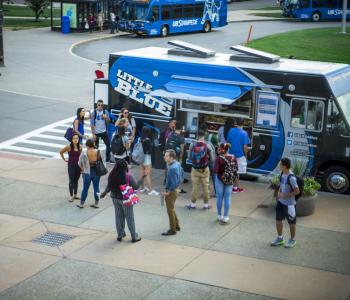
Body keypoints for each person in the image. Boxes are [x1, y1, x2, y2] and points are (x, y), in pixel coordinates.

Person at [100, 159, 141, 243]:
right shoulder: (128, 176)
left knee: (118, 216)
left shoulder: (112, 175)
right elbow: (136, 186)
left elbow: (109, 186)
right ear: (125, 167)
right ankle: (134, 236)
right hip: (126, 200)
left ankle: (120, 235)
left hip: (115, 198)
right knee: (129, 218)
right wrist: (142, 179)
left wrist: (104, 192)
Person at [271, 157, 299, 248]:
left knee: (292, 223)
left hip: (290, 204)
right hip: (281, 203)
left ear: (284, 166)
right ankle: (280, 238)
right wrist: (278, 192)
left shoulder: (291, 178)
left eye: (280, 164)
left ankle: (292, 240)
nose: (279, 166)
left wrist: (285, 195)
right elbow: (281, 184)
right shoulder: (282, 173)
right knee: (278, 220)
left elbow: (297, 191)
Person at [186, 129, 215, 210]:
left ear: (197, 135)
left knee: (195, 187)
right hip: (205, 169)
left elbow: (189, 157)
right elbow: (213, 160)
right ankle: (206, 205)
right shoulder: (208, 145)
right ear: (204, 135)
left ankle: (192, 204)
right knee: (206, 187)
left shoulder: (192, 144)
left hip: (195, 168)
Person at [162, 149, 184, 236]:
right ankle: (176, 225)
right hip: (176, 189)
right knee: (171, 208)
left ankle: (172, 229)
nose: (164, 157)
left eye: (166, 156)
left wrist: (168, 192)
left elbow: (173, 183)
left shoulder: (172, 168)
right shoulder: (177, 164)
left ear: (171, 157)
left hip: (172, 191)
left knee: (169, 210)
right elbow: (182, 174)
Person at [214, 143, 237, 224]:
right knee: (227, 197)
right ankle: (226, 217)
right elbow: (236, 169)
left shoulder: (219, 158)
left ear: (221, 149)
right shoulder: (233, 157)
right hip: (230, 180)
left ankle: (219, 215)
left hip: (220, 179)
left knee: (219, 197)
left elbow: (216, 171)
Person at [227, 117, 250, 193]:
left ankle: (234, 187)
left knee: (232, 171)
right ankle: (235, 188)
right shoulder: (244, 133)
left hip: (231, 155)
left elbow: (228, 143)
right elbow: (245, 147)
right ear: (243, 123)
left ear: (236, 122)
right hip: (240, 156)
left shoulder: (231, 130)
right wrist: (246, 155)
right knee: (237, 172)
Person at [77, 139, 102, 208]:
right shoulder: (98, 152)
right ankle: (96, 203)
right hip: (96, 172)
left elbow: (79, 163)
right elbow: (101, 161)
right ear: (93, 144)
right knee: (96, 188)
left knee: (85, 188)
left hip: (87, 172)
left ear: (87, 145)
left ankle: (81, 204)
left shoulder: (84, 153)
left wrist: (82, 168)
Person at [59, 134, 82, 202]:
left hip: (78, 166)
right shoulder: (69, 147)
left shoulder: (80, 146)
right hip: (71, 165)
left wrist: (82, 166)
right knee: (71, 181)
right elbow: (61, 152)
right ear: (72, 140)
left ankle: (75, 195)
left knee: (76, 180)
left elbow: (80, 157)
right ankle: (71, 196)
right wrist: (64, 159)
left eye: (77, 138)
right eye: (74, 138)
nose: (76, 140)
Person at [164, 122, 186, 193]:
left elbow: (166, 142)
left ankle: (167, 186)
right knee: (177, 173)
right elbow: (182, 150)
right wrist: (180, 158)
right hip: (175, 158)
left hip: (168, 156)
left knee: (169, 171)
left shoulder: (170, 134)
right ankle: (177, 188)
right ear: (181, 128)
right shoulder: (181, 137)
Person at [139, 126, 159, 196]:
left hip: (141, 158)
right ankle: (151, 190)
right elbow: (150, 151)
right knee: (148, 174)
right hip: (147, 158)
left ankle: (142, 188)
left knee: (142, 173)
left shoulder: (140, 139)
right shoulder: (148, 140)